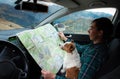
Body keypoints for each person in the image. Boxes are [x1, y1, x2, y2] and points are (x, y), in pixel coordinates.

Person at [41, 17, 113, 79]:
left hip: (72, 74)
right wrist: (65, 39)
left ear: (100, 32)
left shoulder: (95, 54)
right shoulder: (94, 46)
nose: (88, 30)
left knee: (44, 74)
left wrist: (53, 77)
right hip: (72, 70)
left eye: (92, 28)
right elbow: (80, 48)